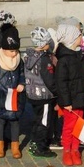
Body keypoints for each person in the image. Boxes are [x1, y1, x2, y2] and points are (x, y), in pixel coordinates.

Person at [54, 22, 84, 166]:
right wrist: (66, 102)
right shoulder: (63, 61)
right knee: (69, 127)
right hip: (70, 102)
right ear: (72, 39)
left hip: (81, 98)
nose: (82, 37)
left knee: (79, 126)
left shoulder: (80, 56)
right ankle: (67, 150)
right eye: (79, 35)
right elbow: (61, 84)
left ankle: (75, 149)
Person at [0, 25, 26, 159]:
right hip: (0, 95)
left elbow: (22, 73)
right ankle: (0, 145)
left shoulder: (19, 60)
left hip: (15, 96)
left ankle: (15, 146)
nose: (14, 54)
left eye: (16, 50)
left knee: (15, 122)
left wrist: (22, 83)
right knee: (0, 122)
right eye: (11, 51)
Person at [24, 27, 57, 158]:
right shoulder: (44, 60)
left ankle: (34, 141)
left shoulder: (28, 56)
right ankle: (41, 147)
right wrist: (57, 92)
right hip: (44, 96)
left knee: (37, 119)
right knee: (44, 122)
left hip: (32, 94)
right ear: (43, 44)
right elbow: (49, 80)